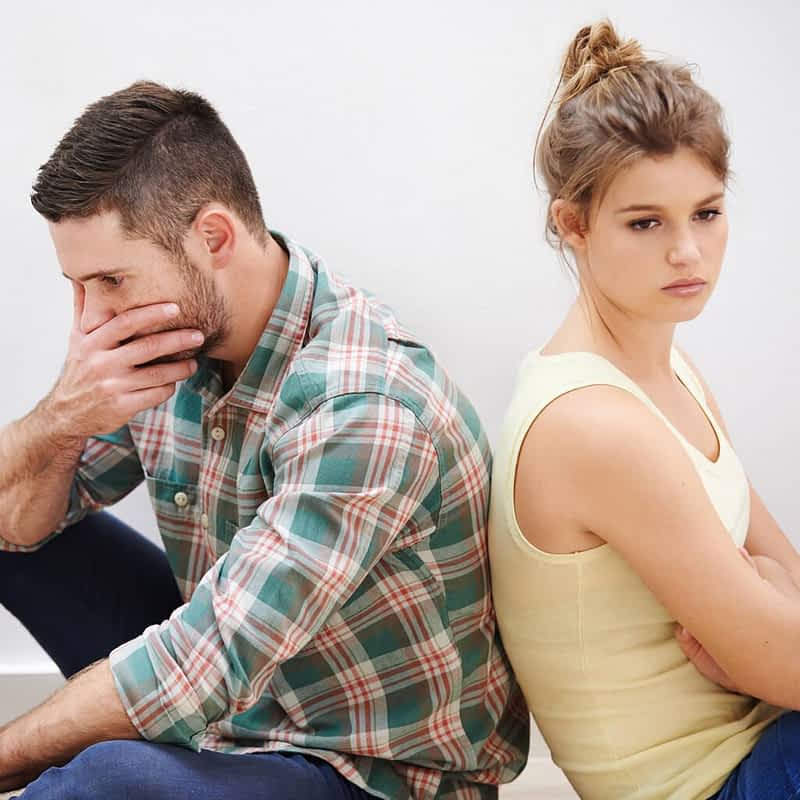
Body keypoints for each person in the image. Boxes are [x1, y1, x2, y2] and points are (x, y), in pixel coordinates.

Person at [0, 81, 529, 799]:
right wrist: (60, 418)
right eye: (76, 286)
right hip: (242, 704)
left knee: (103, 783)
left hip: (367, 769)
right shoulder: (158, 344)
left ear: (213, 238)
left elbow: (200, 666)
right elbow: (21, 524)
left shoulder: (360, 405)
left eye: (110, 280)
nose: (91, 316)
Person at [488, 20, 800, 800]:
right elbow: (783, 661)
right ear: (573, 225)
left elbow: (786, 576)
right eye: (645, 222)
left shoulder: (669, 368)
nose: (688, 251)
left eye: (707, 212)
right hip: (715, 783)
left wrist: (771, 604)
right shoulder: (592, 424)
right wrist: (765, 620)